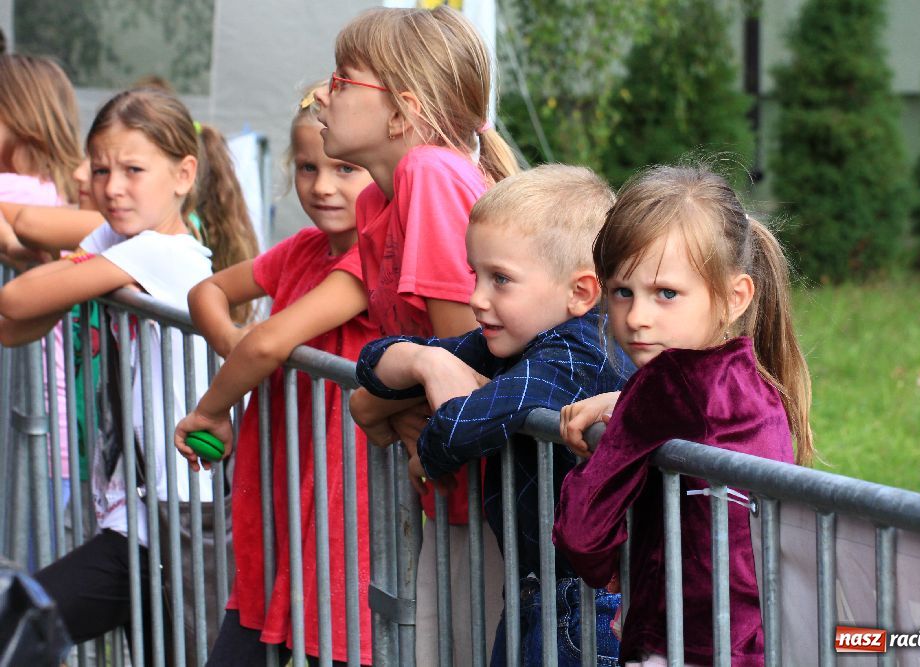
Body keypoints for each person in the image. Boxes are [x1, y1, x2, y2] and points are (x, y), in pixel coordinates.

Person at [0, 87, 253, 666]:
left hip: (174, 518)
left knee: (21, 621)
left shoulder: (161, 253)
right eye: (101, 169)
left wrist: (59, 276)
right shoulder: (119, 241)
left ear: (184, 174)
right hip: (139, 511)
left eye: (133, 170)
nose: (112, 187)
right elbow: (18, 328)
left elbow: (16, 300)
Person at [354, 165, 631, 666]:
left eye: (500, 279)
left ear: (581, 292)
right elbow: (372, 366)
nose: (477, 298)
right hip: (540, 592)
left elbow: (454, 433)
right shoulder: (516, 339)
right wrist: (427, 362)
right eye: (475, 275)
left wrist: (429, 442)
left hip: (586, 611)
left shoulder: (576, 354)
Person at [315, 6, 519, 664]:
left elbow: (468, 360)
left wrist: (374, 401)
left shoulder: (429, 174)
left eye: (342, 80)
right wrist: (394, 399)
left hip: (499, 501)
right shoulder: (377, 199)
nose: (321, 96)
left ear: (402, 112)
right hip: (454, 487)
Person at [553, 165, 814, 667]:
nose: (637, 317)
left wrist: (612, 565)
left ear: (734, 298)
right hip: (755, 641)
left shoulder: (665, 386)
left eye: (666, 294)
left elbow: (582, 531)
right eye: (622, 291)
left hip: (679, 645)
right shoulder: (756, 382)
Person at [174, 84, 378, 666]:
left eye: (345, 168)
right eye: (308, 167)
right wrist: (234, 346)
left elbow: (269, 342)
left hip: (343, 505)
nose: (322, 186)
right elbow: (207, 292)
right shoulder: (301, 249)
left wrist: (211, 409)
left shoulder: (370, 262)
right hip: (282, 491)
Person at [0, 53, 86, 524]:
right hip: (53, 428)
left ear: (19, 119)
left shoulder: (24, 191)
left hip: (35, 425)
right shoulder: (59, 191)